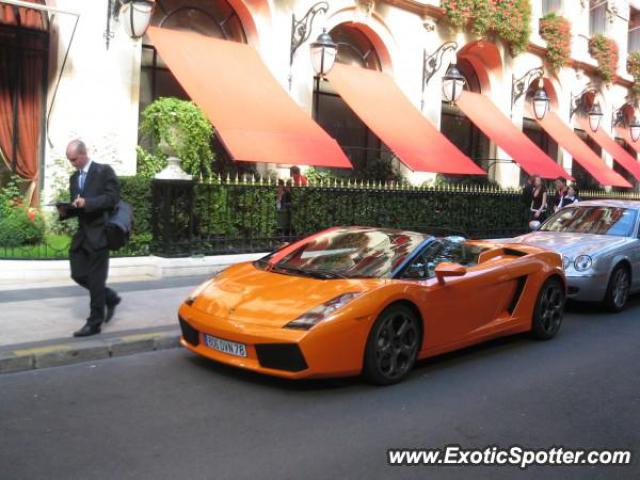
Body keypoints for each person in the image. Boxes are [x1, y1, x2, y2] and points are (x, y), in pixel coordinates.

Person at [58, 140, 121, 337]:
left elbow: (112, 199)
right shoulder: (74, 178)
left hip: (100, 233)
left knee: (96, 279)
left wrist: (88, 202)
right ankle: (109, 296)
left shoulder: (104, 171)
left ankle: (94, 323)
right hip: (82, 235)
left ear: (84, 154)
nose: (72, 163)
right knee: (77, 274)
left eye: (74, 159)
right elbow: (78, 207)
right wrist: (65, 210)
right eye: (69, 160)